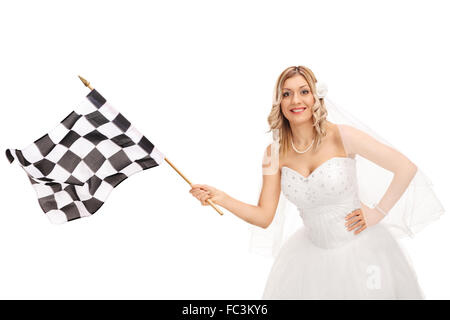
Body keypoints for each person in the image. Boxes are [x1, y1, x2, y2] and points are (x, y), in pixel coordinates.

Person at [189, 65, 444, 299]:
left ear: (315, 98)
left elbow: (405, 167)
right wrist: (220, 197)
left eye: (303, 91)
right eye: (287, 94)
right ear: (279, 102)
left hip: (362, 252)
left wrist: (378, 212)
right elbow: (264, 216)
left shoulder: (342, 136)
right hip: (310, 259)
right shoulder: (274, 153)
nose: (296, 100)